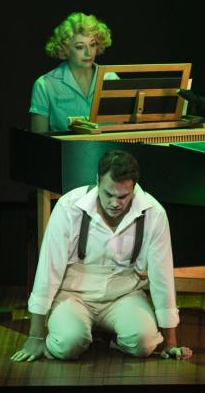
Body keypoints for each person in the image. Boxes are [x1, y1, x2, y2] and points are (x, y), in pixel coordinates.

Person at [11, 150, 193, 361]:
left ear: (134, 187)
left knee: (145, 344)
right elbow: (48, 269)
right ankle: (82, 333)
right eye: (108, 194)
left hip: (123, 296)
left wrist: (171, 342)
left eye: (123, 196)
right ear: (97, 181)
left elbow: (162, 277)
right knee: (68, 344)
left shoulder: (154, 213)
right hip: (73, 295)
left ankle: (106, 337)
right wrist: (35, 336)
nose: (115, 203)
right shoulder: (69, 207)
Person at [29, 12, 118, 133]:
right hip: (65, 146)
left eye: (92, 45)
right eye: (80, 47)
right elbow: (37, 140)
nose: (88, 53)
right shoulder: (45, 85)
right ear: (65, 49)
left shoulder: (111, 78)